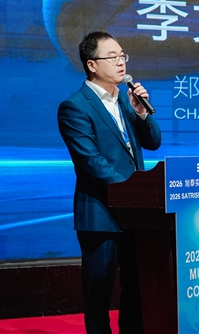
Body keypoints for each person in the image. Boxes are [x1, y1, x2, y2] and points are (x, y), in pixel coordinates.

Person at [58, 31, 161, 334]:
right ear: (92, 65)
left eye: (122, 56)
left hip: (135, 215)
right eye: (112, 57)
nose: (120, 62)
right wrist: (133, 191)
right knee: (98, 293)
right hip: (100, 214)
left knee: (136, 287)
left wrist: (141, 113)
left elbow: (153, 142)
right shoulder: (75, 106)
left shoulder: (127, 102)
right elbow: (90, 161)